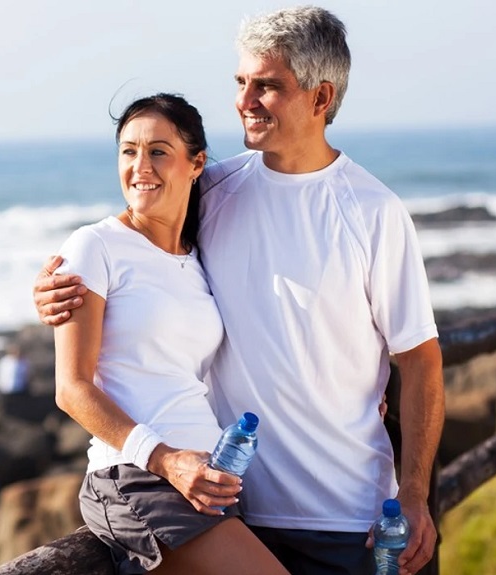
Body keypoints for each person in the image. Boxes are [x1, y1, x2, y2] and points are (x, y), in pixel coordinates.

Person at [34, 6, 444, 575]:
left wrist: (418, 497)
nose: (244, 100)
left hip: (353, 520)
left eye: (267, 86)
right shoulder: (217, 190)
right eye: (240, 82)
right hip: (238, 506)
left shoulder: (374, 212)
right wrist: (57, 288)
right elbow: (140, 230)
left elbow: (420, 361)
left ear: (321, 98)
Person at [53, 92, 288, 575]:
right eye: (128, 150)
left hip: (209, 479)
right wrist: (165, 461)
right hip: (137, 475)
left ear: (196, 163)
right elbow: (71, 389)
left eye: (158, 151)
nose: (140, 165)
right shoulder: (94, 245)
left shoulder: (199, 258)